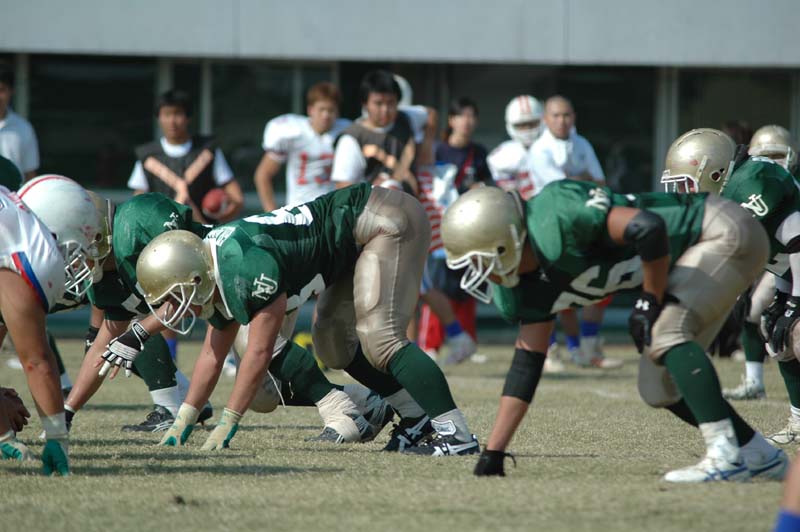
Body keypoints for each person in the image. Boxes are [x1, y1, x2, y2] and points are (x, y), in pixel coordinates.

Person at [442, 183, 786, 481]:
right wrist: (495, 452)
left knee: (666, 332)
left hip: (718, 230)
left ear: (506, 242)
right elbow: (526, 366)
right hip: (694, 258)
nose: (477, 271)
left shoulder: (558, 214)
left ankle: (725, 453)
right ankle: (759, 453)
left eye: (479, 259)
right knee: (658, 388)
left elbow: (648, 228)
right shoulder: (522, 287)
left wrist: (649, 299)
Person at [133, 184, 479, 455]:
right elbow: (212, 353)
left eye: (174, 297)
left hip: (382, 219)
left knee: (382, 338)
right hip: (350, 242)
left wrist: (229, 420)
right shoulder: (214, 265)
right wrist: (184, 419)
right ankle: (416, 418)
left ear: (192, 277)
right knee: (334, 345)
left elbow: (259, 351)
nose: (173, 308)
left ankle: (456, 434)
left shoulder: (244, 267)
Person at [662, 128, 800, 448]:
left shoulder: (751, 181)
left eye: (686, 183)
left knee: (797, 333)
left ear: (714, 173)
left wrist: (794, 301)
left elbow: (795, 238)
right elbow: (777, 256)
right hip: (790, 268)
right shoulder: (729, 195)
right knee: (774, 332)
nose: (683, 194)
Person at [128, 89, 243, 360]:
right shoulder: (147, 156)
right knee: (168, 298)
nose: (173, 121)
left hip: (205, 237)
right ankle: (170, 359)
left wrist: (222, 210)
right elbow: (138, 203)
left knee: (218, 295)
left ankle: (225, 355)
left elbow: (235, 198)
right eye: (167, 114)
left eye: (178, 114)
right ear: (158, 118)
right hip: (165, 242)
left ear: (188, 117)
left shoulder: (208, 152)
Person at [4, 175, 104, 475]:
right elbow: (36, 361)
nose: (76, 260)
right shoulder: (33, 249)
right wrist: (57, 438)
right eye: (77, 248)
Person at [527, 95, 619, 370]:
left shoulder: (582, 143)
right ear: (545, 119)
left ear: (574, 117)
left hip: (585, 222)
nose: (562, 121)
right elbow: (561, 190)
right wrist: (583, 179)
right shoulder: (539, 149)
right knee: (550, 289)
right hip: (549, 226)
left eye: (566, 115)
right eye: (556, 115)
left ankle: (586, 348)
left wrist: (578, 181)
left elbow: (600, 182)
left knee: (597, 284)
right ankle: (550, 351)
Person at [418, 98, 491, 361]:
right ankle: (430, 344)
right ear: (451, 120)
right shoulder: (436, 151)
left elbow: (488, 184)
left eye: (472, 116)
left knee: (467, 285)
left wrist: (480, 189)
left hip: (469, 227)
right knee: (435, 285)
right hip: (439, 227)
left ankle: (464, 341)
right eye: (462, 116)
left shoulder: (478, 152)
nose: (467, 121)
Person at [254, 82, 350, 211]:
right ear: (310, 110)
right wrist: (271, 212)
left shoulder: (347, 132)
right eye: (321, 109)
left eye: (331, 110)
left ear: (338, 111)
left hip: (332, 209)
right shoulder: (293, 131)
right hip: (299, 209)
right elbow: (263, 175)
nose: (326, 115)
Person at [331, 70, 425, 191]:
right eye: (378, 103)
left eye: (390, 103)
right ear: (365, 104)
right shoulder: (351, 139)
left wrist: (425, 148)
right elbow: (343, 186)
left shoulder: (406, 119)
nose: (385, 110)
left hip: (409, 201)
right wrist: (372, 192)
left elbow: (431, 115)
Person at [487, 95, 544, 198]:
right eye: (521, 125)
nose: (527, 130)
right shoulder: (501, 156)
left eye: (532, 124)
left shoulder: (553, 147)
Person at [0, 65, 39, 180]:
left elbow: (30, 174)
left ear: (11, 91)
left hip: (14, 191)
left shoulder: (24, 128)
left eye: (1, 90)